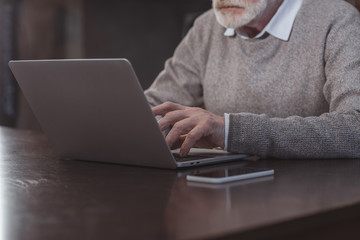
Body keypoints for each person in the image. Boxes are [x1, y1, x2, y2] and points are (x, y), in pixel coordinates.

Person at [144, 0, 360, 159]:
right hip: (225, 189)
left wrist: (231, 130)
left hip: (312, 193)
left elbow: (355, 128)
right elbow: (152, 107)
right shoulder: (207, 26)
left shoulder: (338, 19)